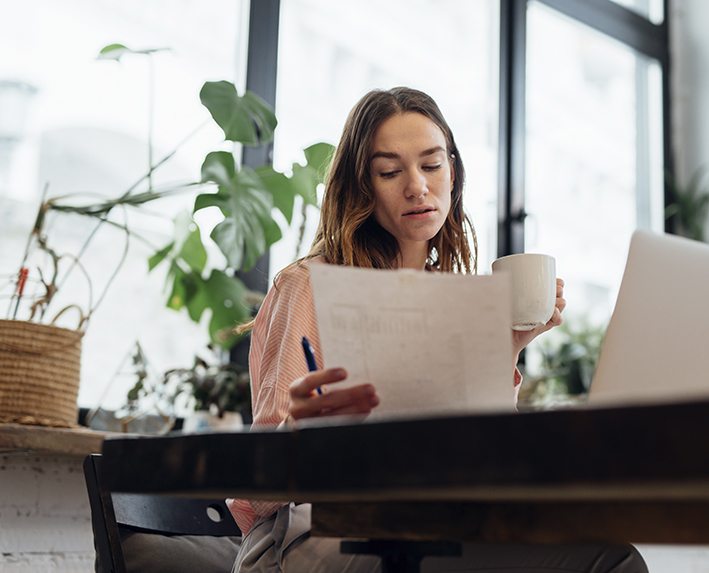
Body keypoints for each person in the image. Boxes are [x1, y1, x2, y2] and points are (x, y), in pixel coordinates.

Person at [228, 87, 648, 573]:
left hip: (427, 525)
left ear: (453, 171)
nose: (416, 187)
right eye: (389, 171)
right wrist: (302, 430)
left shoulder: (448, 296)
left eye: (431, 165)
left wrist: (506, 348)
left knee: (612, 559)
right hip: (313, 539)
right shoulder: (311, 284)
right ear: (363, 185)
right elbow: (258, 496)